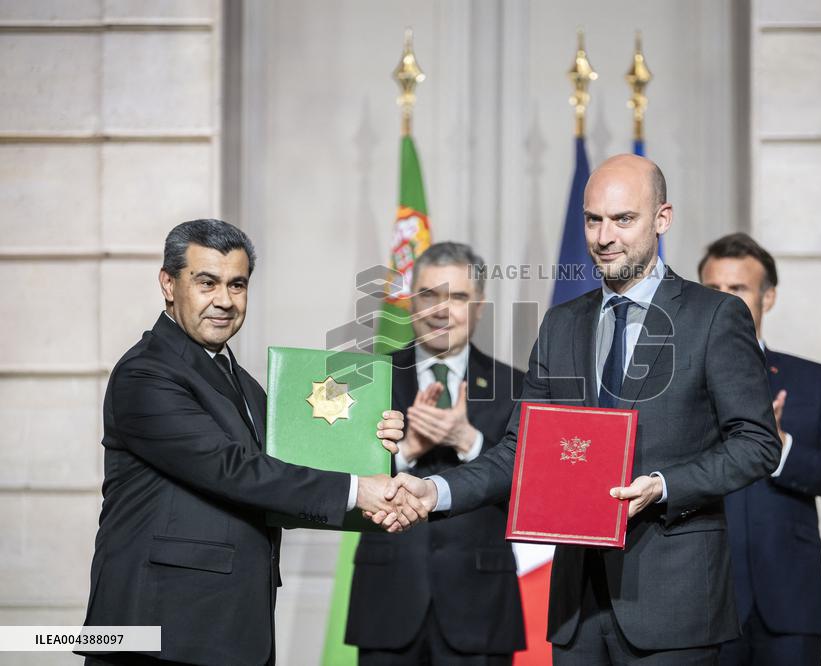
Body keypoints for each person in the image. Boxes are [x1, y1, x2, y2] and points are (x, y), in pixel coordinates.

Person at [381, 155, 783, 665]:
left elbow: (757, 443)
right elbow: (519, 450)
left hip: (674, 604)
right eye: (593, 220)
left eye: (623, 219)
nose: (604, 236)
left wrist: (663, 485)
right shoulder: (562, 324)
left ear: (662, 218)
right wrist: (434, 490)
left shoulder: (715, 317)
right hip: (577, 608)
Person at [78, 219, 423, 666]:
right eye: (207, 283)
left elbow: (282, 484)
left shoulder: (245, 385)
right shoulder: (146, 373)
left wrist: (375, 452)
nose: (224, 300)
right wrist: (360, 489)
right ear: (168, 283)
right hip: (159, 634)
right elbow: (234, 471)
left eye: (237, 285)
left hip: (230, 632)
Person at [346, 242, 526, 664]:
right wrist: (410, 448)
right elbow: (341, 482)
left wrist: (468, 441)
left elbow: (534, 486)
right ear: (410, 303)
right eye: (428, 294)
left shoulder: (518, 386)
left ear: (479, 306)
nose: (441, 310)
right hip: (387, 600)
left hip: (481, 604)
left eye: (458, 297)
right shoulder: (368, 379)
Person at [698, 232, 821, 666]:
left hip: (792, 604)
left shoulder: (811, 380)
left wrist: (781, 448)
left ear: (767, 297)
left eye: (737, 289)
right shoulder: (676, 380)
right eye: (713, 289)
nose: (723, 300)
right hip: (703, 603)